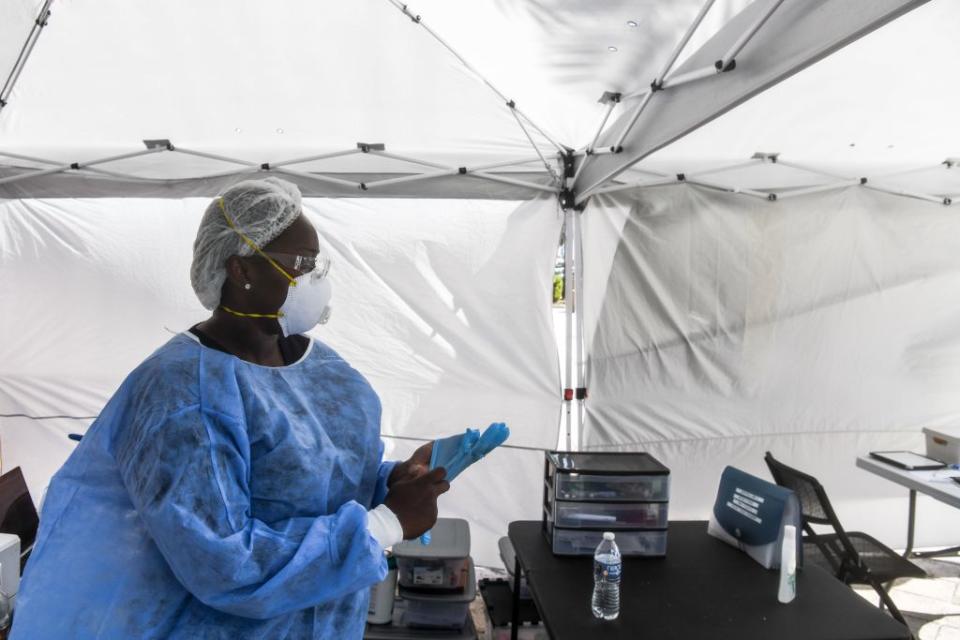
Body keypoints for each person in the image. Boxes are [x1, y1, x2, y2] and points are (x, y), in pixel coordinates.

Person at [11, 178, 449, 639]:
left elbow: (308, 476)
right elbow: (224, 564)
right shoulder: (182, 394)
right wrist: (385, 523)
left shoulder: (319, 368)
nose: (316, 280)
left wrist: (388, 482)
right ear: (241, 270)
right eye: (302, 265)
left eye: (317, 266)